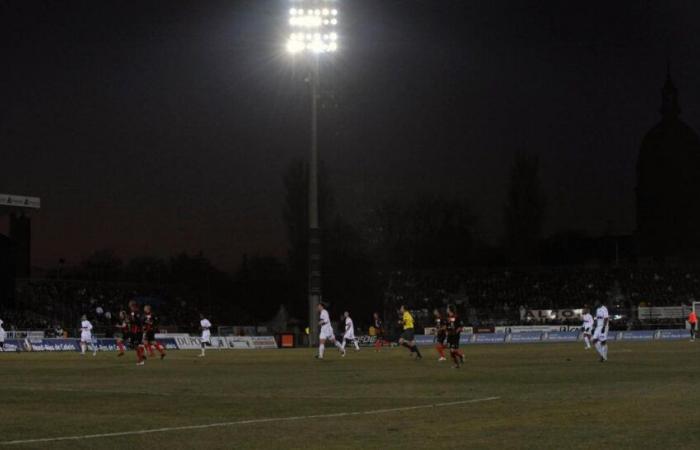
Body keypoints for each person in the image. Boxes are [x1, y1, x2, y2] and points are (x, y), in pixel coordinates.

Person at [128, 300, 147, 366]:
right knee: (134, 345)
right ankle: (141, 356)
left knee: (136, 345)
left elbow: (139, 322)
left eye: (130, 305)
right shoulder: (132, 312)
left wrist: (133, 318)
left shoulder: (137, 312)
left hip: (138, 331)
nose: (129, 306)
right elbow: (131, 321)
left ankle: (141, 360)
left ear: (133, 305)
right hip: (133, 331)